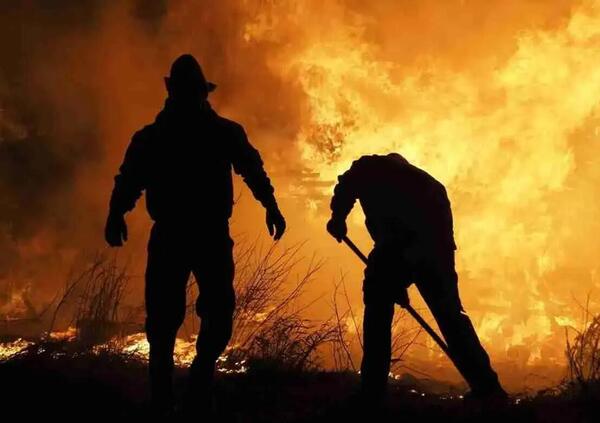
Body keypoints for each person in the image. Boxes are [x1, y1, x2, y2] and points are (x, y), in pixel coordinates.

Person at [104, 54, 286, 415]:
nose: (191, 97)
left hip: (205, 235)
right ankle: (165, 399)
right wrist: (115, 212)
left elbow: (251, 169)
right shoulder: (157, 137)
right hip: (184, 234)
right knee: (164, 321)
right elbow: (129, 179)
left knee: (214, 316)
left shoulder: (219, 133)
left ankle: (196, 384)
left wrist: (271, 204)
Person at [326, 153, 506, 404]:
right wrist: (339, 216)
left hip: (415, 244)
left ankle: (372, 392)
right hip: (431, 250)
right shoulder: (428, 184)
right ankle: (487, 388)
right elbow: (439, 250)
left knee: (379, 305)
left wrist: (337, 218)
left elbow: (347, 186)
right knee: (451, 317)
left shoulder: (370, 167)